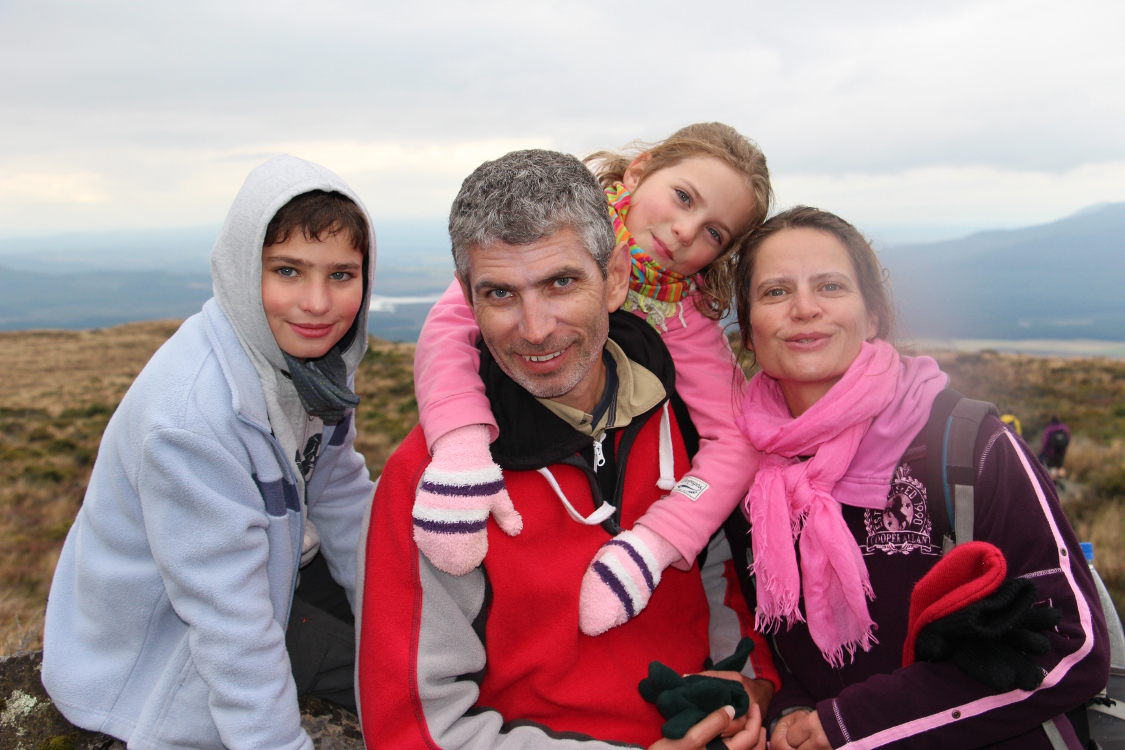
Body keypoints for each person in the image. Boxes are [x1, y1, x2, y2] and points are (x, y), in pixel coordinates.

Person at [356, 149, 771, 749]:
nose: (535, 328)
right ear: (468, 302)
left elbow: (719, 579)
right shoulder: (430, 481)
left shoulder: (681, 420)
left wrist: (747, 685)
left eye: (561, 282)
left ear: (617, 279)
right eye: (500, 293)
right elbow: (413, 730)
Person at [730, 206, 1110, 749]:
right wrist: (790, 708)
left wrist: (851, 725)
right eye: (774, 292)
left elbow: (1071, 648)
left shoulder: (968, 446)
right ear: (746, 330)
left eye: (831, 286)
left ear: (875, 316)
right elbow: (777, 645)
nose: (805, 309)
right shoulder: (742, 476)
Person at [42, 155, 377, 749]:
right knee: (393, 684)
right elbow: (230, 625)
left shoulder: (310, 372)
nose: (318, 303)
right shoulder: (189, 421)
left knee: (429, 655)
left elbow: (341, 493)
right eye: (289, 272)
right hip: (158, 645)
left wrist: (393, 611)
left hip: (275, 573)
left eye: (342, 275)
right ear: (244, 268)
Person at [410, 123, 777, 643]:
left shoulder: (686, 323)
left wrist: (656, 542)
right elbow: (448, 331)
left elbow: (736, 444)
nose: (685, 231)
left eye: (714, 233)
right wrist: (461, 453)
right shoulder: (548, 230)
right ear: (640, 168)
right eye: (682, 197)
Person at [1040, 416, 1071, 480]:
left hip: (1051, 452)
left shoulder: (1050, 428)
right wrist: (1064, 449)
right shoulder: (1064, 428)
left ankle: (1053, 483)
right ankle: (1061, 479)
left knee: (1052, 468)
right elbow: (1068, 439)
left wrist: (1043, 451)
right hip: (1061, 452)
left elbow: (1045, 441)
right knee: (1059, 466)